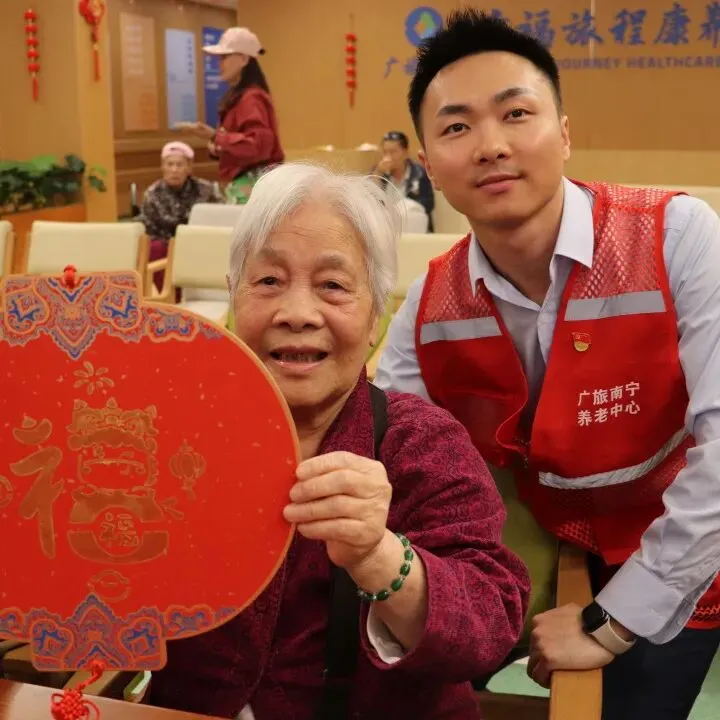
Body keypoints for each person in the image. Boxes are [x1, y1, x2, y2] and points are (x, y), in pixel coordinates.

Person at [374, 9, 720, 720]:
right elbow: (387, 454)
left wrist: (612, 623)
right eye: (457, 127)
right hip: (537, 539)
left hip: (683, 537)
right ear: (429, 164)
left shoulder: (675, 236)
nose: (491, 146)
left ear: (563, 134)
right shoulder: (428, 304)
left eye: (516, 114)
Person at [145, 163, 529, 719]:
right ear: (233, 297)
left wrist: (378, 555)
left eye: (332, 286)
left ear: (375, 317)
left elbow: (489, 627)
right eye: (268, 281)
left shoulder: (421, 442)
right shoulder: (170, 433)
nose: (298, 314)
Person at [181, 27, 284, 205]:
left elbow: (258, 146)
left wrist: (215, 136)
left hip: (254, 185)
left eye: (225, 57)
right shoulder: (240, 97)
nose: (220, 64)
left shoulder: (251, 98)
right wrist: (217, 146)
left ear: (243, 59)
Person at [139, 141, 223, 291]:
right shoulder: (152, 194)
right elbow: (149, 231)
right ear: (163, 167)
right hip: (166, 246)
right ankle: (168, 294)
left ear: (189, 168)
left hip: (199, 244)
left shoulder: (206, 190)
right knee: (154, 247)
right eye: (170, 164)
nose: (174, 170)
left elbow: (219, 220)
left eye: (179, 165)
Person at [374, 130, 435, 229]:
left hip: (413, 227)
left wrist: (406, 207)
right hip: (387, 228)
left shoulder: (419, 173)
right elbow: (369, 200)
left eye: (393, 152)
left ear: (406, 153)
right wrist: (378, 173)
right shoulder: (378, 172)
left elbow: (429, 204)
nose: (388, 157)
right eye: (385, 152)